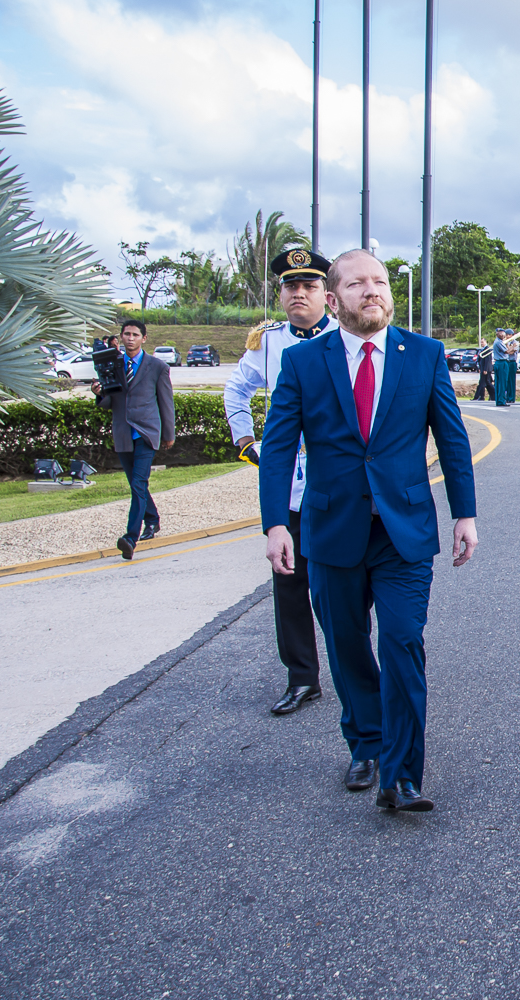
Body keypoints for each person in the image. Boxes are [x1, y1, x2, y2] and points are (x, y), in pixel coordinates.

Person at [259, 248, 477, 813]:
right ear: (335, 299)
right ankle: (366, 741)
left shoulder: (423, 355)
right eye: (357, 284)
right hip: (331, 531)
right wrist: (276, 524)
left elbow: (452, 440)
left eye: (379, 281)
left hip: (403, 532)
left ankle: (402, 775)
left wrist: (465, 514)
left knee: (403, 642)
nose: (371, 290)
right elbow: (279, 447)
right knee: (348, 646)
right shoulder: (305, 363)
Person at [225, 247, 336, 716]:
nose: (299, 294)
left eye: (309, 286)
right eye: (291, 287)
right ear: (281, 293)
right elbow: (237, 388)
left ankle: (355, 670)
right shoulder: (268, 344)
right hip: (291, 483)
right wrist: (245, 438)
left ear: (326, 295)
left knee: (340, 588)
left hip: (336, 484)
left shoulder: (349, 334)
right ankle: (302, 678)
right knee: (289, 583)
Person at [93, 318, 173, 560]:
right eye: (126, 334)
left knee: (138, 483)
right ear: (120, 337)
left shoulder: (157, 366)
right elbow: (110, 402)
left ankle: (130, 538)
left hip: (146, 433)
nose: (130, 338)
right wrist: (99, 394)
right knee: (136, 484)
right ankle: (152, 519)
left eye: (135, 334)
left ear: (143, 338)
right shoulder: (113, 364)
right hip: (123, 432)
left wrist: (168, 434)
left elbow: (166, 402)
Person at [472, 336, 495, 402]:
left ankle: (481, 396)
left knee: (485, 383)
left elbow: (488, 361)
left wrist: (485, 369)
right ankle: (491, 396)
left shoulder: (487, 349)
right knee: (486, 383)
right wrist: (479, 368)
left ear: (486, 342)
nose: (481, 343)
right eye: (481, 342)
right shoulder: (481, 350)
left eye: (483, 342)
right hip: (482, 368)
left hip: (486, 369)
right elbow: (480, 360)